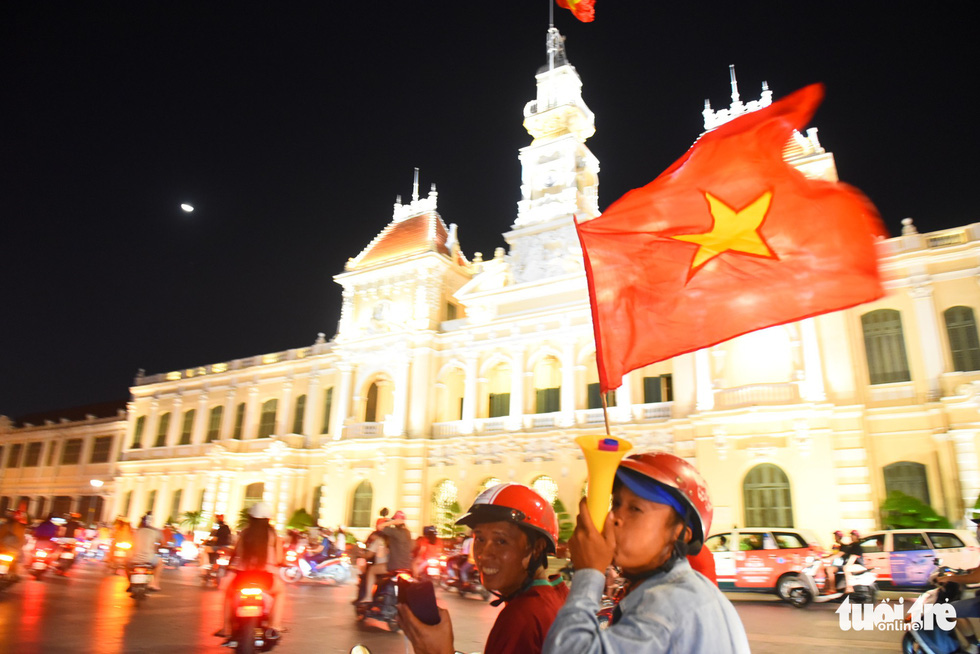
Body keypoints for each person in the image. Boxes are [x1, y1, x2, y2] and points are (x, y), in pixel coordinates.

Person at [542, 451, 750, 654]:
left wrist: (588, 572)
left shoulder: (669, 604)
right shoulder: (690, 591)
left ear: (680, 534)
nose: (614, 517)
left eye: (635, 509)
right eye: (616, 504)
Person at [398, 483, 567, 654]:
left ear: (536, 548)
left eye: (501, 541)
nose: (484, 554)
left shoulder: (521, 617)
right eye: (479, 539)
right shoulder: (556, 596)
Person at [214, 502, 285, 643]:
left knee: (228, 593)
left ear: (251, 517)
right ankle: (274, 626)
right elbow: (278, 558)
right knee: (280, 592)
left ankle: (226, 628)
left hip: (242, 577)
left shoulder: (245, 533)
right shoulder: (273, 535)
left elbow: (236, 553)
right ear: (268, 519)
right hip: (266, 577)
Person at [354, 517, 389, 603]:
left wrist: (361, 555)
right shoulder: (393, 538)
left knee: (367, 575)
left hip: (382, 565)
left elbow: (369, 554)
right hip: (393, 565)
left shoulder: (379, 539)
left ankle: (366, 597)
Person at [131, 514, 163, 591]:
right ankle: (154, 584)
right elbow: (162, 543)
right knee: (160, 563)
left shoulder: (137, 531)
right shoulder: (156, 531)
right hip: (149, 558)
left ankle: (129, 582)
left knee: (125, 563)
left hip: (134, 558)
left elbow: (131, 541)